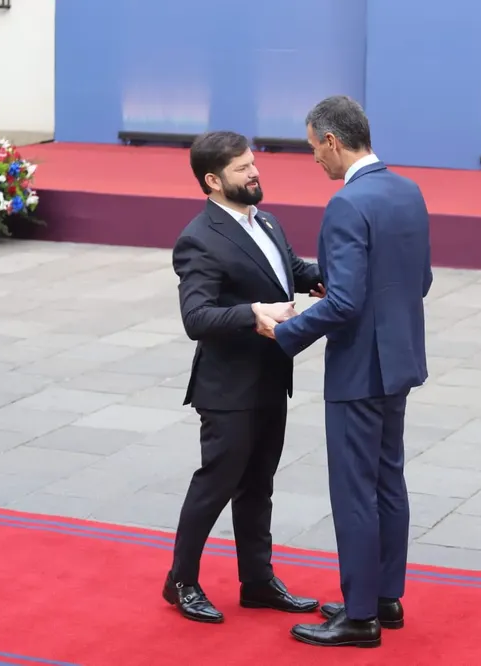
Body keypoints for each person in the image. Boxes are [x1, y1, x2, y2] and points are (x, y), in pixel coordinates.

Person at [257, 96, 433, 648]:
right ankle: (385, 598)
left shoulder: (346, 204)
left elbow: (345, 304)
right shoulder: (408, 191)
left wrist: (282, 333)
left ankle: (359, 618)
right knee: (389, 482)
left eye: (313, 147)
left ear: (333, 141)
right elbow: (419, 279)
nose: (314, 159)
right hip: (399, 361)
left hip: (359, 369)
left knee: (355, 491)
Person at [164, 130, 325, 624]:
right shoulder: (199, 238)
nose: (255, 173)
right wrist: (252, 313)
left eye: (254, 164)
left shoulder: (266, 222)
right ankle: (181, 582)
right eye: (242, 169)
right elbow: (197, 318)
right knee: (216, 486)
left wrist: (347, 270)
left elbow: (292, 271)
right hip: (228, 390)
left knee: (259, 486)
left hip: (271, 379)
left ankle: (257, 581)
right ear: (212, 181)